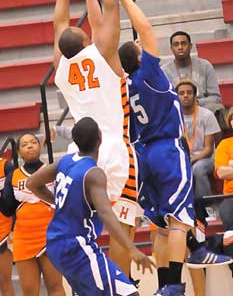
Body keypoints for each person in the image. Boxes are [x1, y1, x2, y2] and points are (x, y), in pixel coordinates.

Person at [52, 0, 138, 276]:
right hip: (113, 148)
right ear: (87, 41)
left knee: (84, 228)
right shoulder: (104, 54)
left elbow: (59, 24)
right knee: (122, 224)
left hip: (79, 154)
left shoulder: (61, 65)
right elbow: (111, 5)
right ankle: (120, 286)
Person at [113, 0, 194, 296]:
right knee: (180, 221)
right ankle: (174, 285)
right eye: (137, 47)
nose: (141, 44)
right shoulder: (148, 73)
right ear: (137, 58)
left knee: (160, 227)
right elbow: (145, 28)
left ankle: (163, 288)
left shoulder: (126, 86)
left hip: (142, 155)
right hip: (166, 149)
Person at [26, 117, 155, 296]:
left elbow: (32, 183)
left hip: (55, 243)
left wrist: (59, 202)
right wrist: (131, 249)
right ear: (100, 138)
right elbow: (105, 212)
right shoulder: (93, 174)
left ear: (75, 141)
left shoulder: (65, 161)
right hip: (76, 245)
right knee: (130, 294)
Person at [0, 133, 65, 296]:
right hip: (24, 239)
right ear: (19, 152)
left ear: (40, 146)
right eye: (24, 144)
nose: (29, 146)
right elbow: (7, 210)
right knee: (29, 291)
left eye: (33, 142)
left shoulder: (53, 171)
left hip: (50, 235)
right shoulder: (13, 177)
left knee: (55, 286)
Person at [176, 79, 221, 199]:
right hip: (184, 158)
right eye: (181, 93)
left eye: (189, 92)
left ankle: (206, 206)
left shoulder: (207, 115)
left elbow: (208, 150)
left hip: (207, 159)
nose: (185, 95)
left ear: (195, 95)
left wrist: (191, 160)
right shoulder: (174, 117)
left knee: (198, 169)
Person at [162, 31, 223, 116]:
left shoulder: (205, 65)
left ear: (190, 46)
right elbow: (163, 101)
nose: (180, 47)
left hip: (203, 111)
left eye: (183, 43)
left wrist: (196, 103)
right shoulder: (164, 71)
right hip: (178, 114)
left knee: (218, 108)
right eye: (176, 44)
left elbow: (216, 98)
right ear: (171, 48)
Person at [215, 106, 233, 271]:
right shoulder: (225, 145)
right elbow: (221, 172)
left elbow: (228, 171)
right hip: (230, 197)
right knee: (230, 231)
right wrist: (227, 170)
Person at [0, 156, 14, 296]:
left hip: (2, 230)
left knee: (4, 281)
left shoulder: (6, 166)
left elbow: (14, 200)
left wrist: (12, 229)